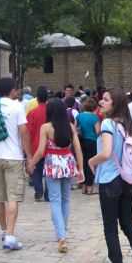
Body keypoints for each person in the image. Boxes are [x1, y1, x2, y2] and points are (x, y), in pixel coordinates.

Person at [88, 89, 132, 263]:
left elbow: (106, 153)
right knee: (127, 223)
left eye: (106, 100)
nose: (101, 102)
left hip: (110, 180)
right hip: (129, 181)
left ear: (115, 104)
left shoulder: (108, 124)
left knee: (110, 227)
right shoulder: (127, 125)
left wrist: (91, 162)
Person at [0, 77, 32, 251]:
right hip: (14, 158)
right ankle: (10, 235)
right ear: (12, 91)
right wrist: (29, 155)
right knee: (13, 197)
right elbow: (24, 132)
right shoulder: (17, 106)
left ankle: (4, 230)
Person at [28, 98, 84, 253]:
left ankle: (61, 236)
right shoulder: (70, 126)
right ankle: (63, 232)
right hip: (68, 162)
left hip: (53, 163)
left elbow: (40, 151)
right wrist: (81, 169)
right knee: (66, 199)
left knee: (55, 200)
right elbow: (78, 149)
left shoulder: (46, 127)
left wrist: (32, 163)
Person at [26, 86, 49, 201]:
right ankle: (48, 193)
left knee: (36, 170)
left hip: (35, 145)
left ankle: (38, 191)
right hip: (50, 146)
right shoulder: (51, 111)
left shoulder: (32, 113)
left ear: (37, 98)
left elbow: (28, 132)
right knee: (49, 171)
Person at [76, 97, 100, 195]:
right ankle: (90, 187)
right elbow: (98, 132)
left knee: (83, 163)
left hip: (81, 141)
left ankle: (83, 186)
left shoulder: (79, 116)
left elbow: (75, 129)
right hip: (92, 142)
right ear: (94, 107)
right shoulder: (95, 118)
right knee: (91, 164)